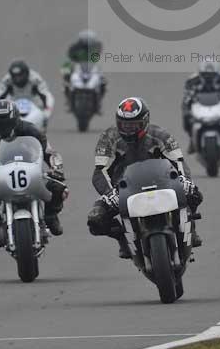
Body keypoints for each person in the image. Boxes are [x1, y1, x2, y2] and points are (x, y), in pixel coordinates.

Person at [87, 97, 203, 258]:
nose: (128, 130)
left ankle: (190, 227)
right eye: (124, 125)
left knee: (194, 194)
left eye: (133, 125)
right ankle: (122, 237)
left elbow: (178, 162)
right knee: (95, 219)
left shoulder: (161, 135)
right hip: (123, 188)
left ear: (145, 121)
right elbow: (100, 171)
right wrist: (110, 193)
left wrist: (184, 180)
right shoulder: (108, 137)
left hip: (161, 182)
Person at [0, 100, 68, 247]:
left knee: (60, 188)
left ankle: (51, 216)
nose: (4, 128)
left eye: (7, 123)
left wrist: (56, 168)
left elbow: (49, 151)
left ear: (16, 120)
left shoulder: (30, 130)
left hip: (32, 170)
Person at [182, 61, 220, 154]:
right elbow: (186, 99)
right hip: (199, 105)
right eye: (206, 74)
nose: (208, 77)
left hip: (217, 104)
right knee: (186, 117)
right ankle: (192, 140)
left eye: (211, 75)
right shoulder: (192, 81)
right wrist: (186, 110)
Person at [61, 30, 107, 112]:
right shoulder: (75, 47)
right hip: (78, 67)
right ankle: (69, 100)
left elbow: (98, 57)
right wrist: (67, 71)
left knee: (103, 82)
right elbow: (69, 58)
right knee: (66, 80)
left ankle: (98, 102)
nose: (87, 46)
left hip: (91, 67)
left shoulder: (97, 46)